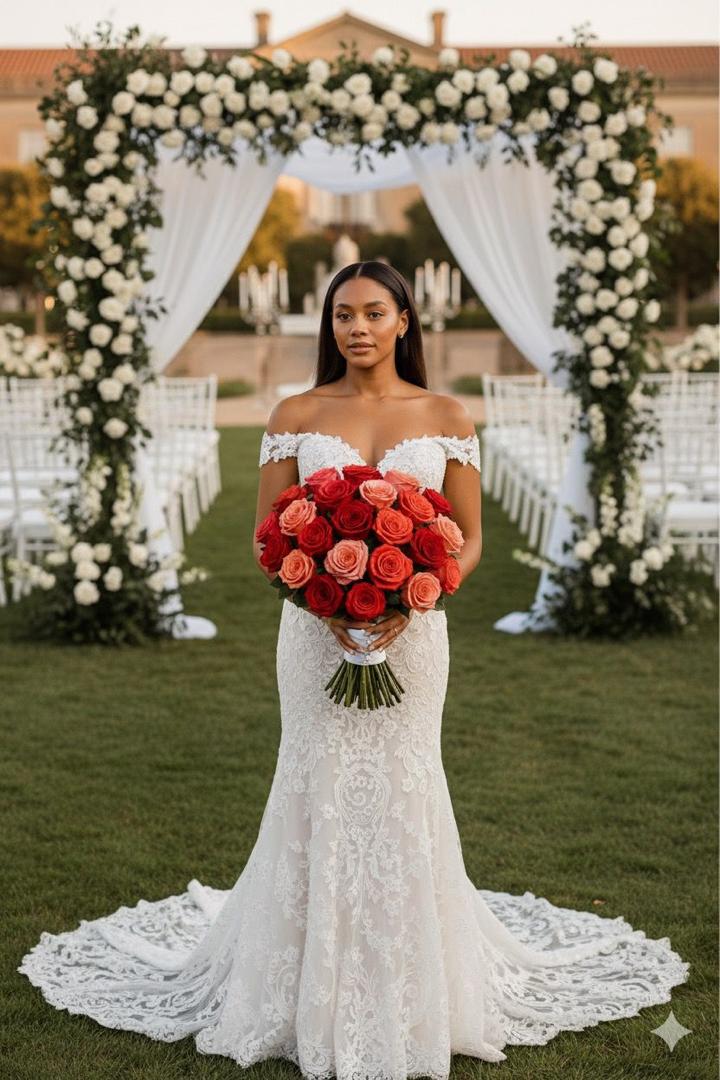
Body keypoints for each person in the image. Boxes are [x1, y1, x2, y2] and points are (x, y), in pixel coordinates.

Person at [19, 261, 689, 1076]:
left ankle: (412, 982)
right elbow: (269, 536)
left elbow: (467, 537)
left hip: (417, 632)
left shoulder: (446, 415)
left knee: (406, 780)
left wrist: (421, 592)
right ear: (328, 325)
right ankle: (299, 979)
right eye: (343, 314)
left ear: (405, 319)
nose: (357, 328)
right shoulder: (296, 414)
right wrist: (323, 602)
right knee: (316, 777)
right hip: (311, 636)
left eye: (374, 312)